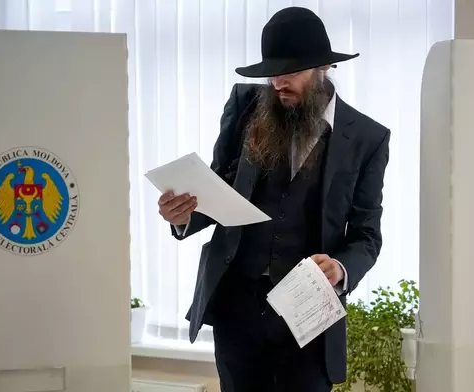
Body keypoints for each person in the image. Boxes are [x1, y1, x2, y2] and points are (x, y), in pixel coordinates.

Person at [158, 6, 390, 392]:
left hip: (310, 316)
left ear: (323, 69)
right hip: (237, 307)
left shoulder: (367, 138)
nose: (278, 83)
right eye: (273, 72)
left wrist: (340, 268)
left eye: (290, 72)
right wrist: (182, 215)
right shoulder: (246, 106)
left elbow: (367, 235)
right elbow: (218, 188)